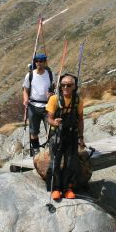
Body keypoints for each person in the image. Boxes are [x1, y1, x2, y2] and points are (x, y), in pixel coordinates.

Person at [45, 73, 85, 201]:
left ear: (74, 86)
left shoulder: (78, 100)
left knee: (70, 162)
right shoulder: (54, 100)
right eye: (63, 85)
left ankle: (68, 188)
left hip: (72, 134)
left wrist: (81, 137)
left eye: (69, 85)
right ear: (60, 86)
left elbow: (80, 120)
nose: (65, 87)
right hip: (57, 135)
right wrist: (54, 122)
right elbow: (49, 118)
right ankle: (55, 188)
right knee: (55, 162)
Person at [22, 53, 53, 156]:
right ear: (35, 62)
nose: (39, 63)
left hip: (48, 106)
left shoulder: (50, 74)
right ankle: (36, 152)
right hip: (33, 106)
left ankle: (51, 149)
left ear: (45, 62)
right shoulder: (30, 75)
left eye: (41, 61)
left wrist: (52, 94)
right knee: (34, 131)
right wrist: (25, 99)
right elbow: (25, 90)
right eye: (37, 61)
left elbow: (54, 88)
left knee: (50, 130)